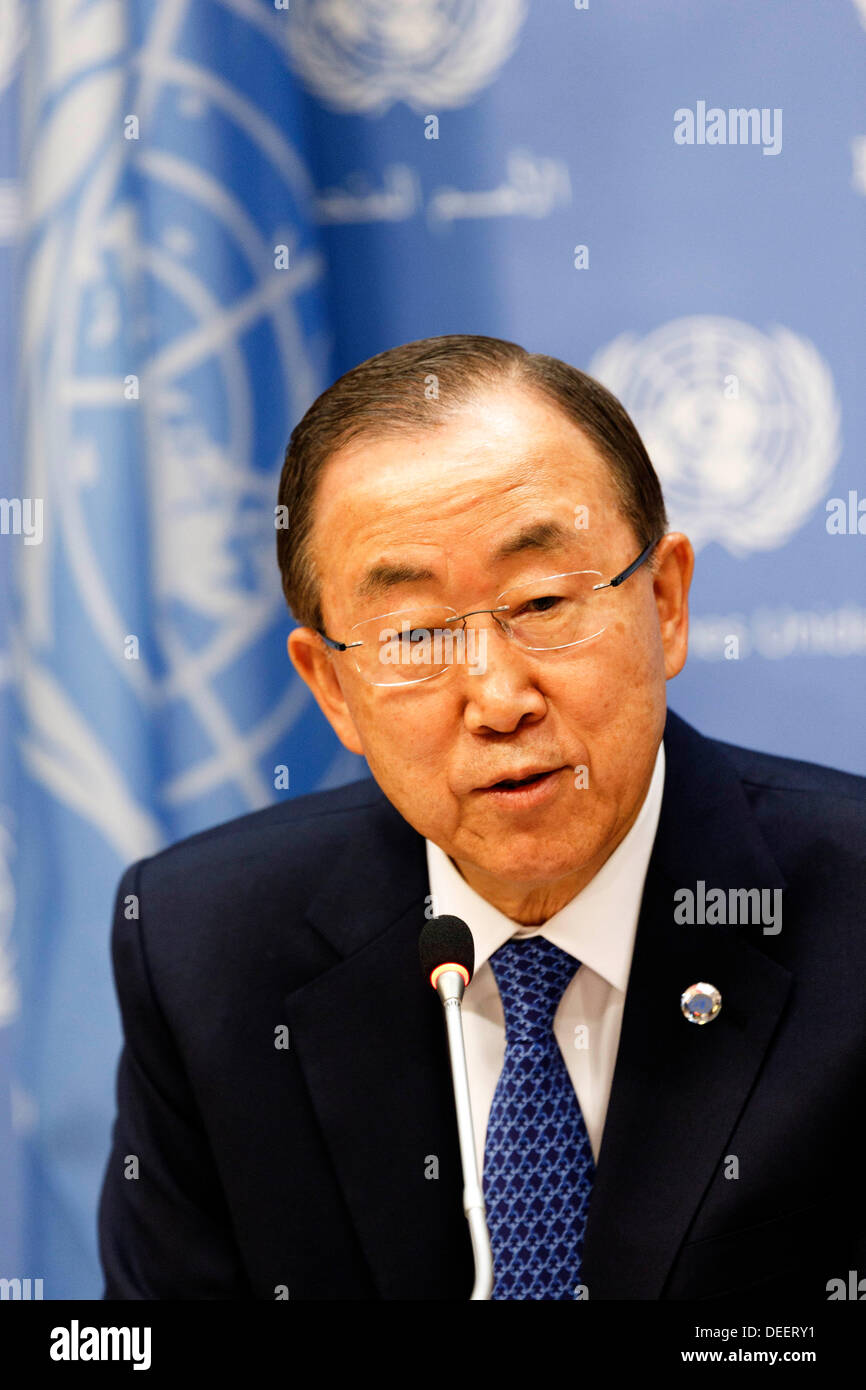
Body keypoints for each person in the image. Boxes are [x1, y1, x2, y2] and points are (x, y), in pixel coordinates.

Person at [98, 334, 866, 1300]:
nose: (499, 698)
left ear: (665, 604)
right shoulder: (201, 951)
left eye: (543, 600)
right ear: (332, 688)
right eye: (414, 635)